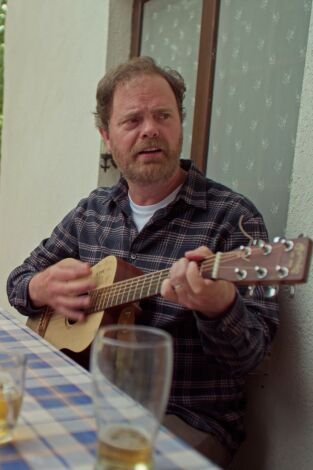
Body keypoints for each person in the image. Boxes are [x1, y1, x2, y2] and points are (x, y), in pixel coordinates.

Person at [7, 56, 279, 468]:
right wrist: (38, 287)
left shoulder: (231, 219)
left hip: (183, 415)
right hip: (88, 391)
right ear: (107, 135)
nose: (150, 129)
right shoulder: (92, 211)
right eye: (132, 120)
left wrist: (218, 306)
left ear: (179, 125)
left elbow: (251, 357)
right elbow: (17, 282)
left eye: (163, 115)